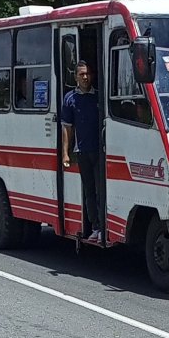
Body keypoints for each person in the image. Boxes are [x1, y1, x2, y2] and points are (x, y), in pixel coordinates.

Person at [61, 61, 102, 242]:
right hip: (82, 151)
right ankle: (95, 227)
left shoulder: (99, 97)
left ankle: (104, 225)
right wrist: (65, 153)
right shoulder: (69, 99)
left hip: (100, 151)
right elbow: (67, 128)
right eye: (82, 74)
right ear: (76, 77)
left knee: (102, 190)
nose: (85, 77)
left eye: (88, 74)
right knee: (89, 191)